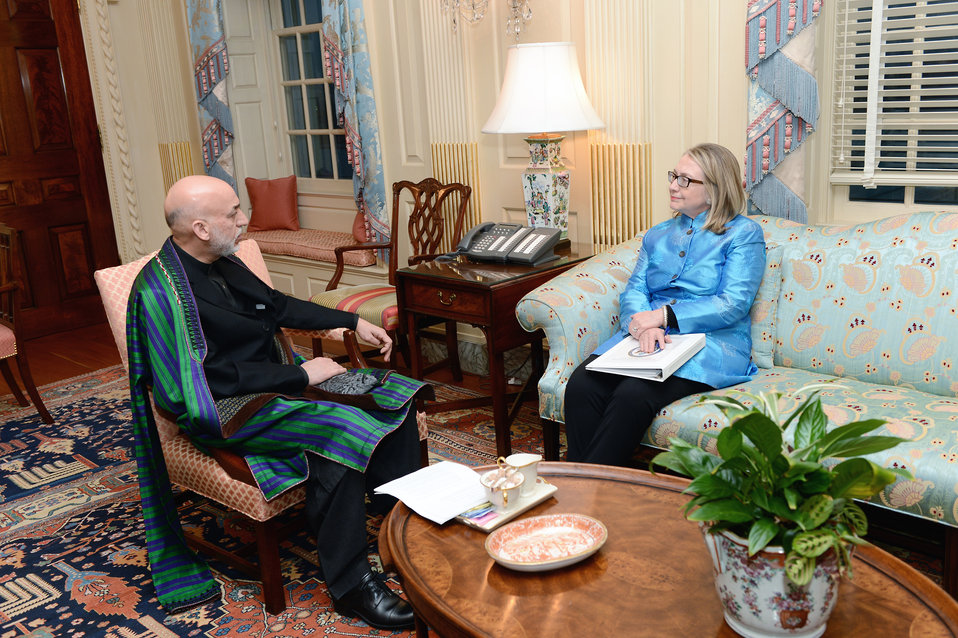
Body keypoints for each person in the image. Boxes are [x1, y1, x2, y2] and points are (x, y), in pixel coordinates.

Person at [127, 175, 430, 629]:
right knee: (341, 433)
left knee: (394, 398)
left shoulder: (222, 259)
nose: (243, 219)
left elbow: (277, 305)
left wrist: (349, 320)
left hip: (275, 383)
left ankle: (405, 529)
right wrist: (300, 374)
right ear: (202, 228)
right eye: (233, 212)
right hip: (223, 410)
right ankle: (352, 587)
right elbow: (189, 389)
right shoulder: (159, 293)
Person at [564, 143, 766, 466]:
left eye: (685, 180)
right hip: (648, 338)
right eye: (674, 176)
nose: (673, 185)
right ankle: (588, 486)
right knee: (581, 384)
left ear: (714, 191)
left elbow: (733, 303)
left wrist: (663, 316)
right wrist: (638, 325)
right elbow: (634, 291)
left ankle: (586, 496)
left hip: (712, 344)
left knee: (632, 395)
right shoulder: (657, 235)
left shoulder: (743, 234)